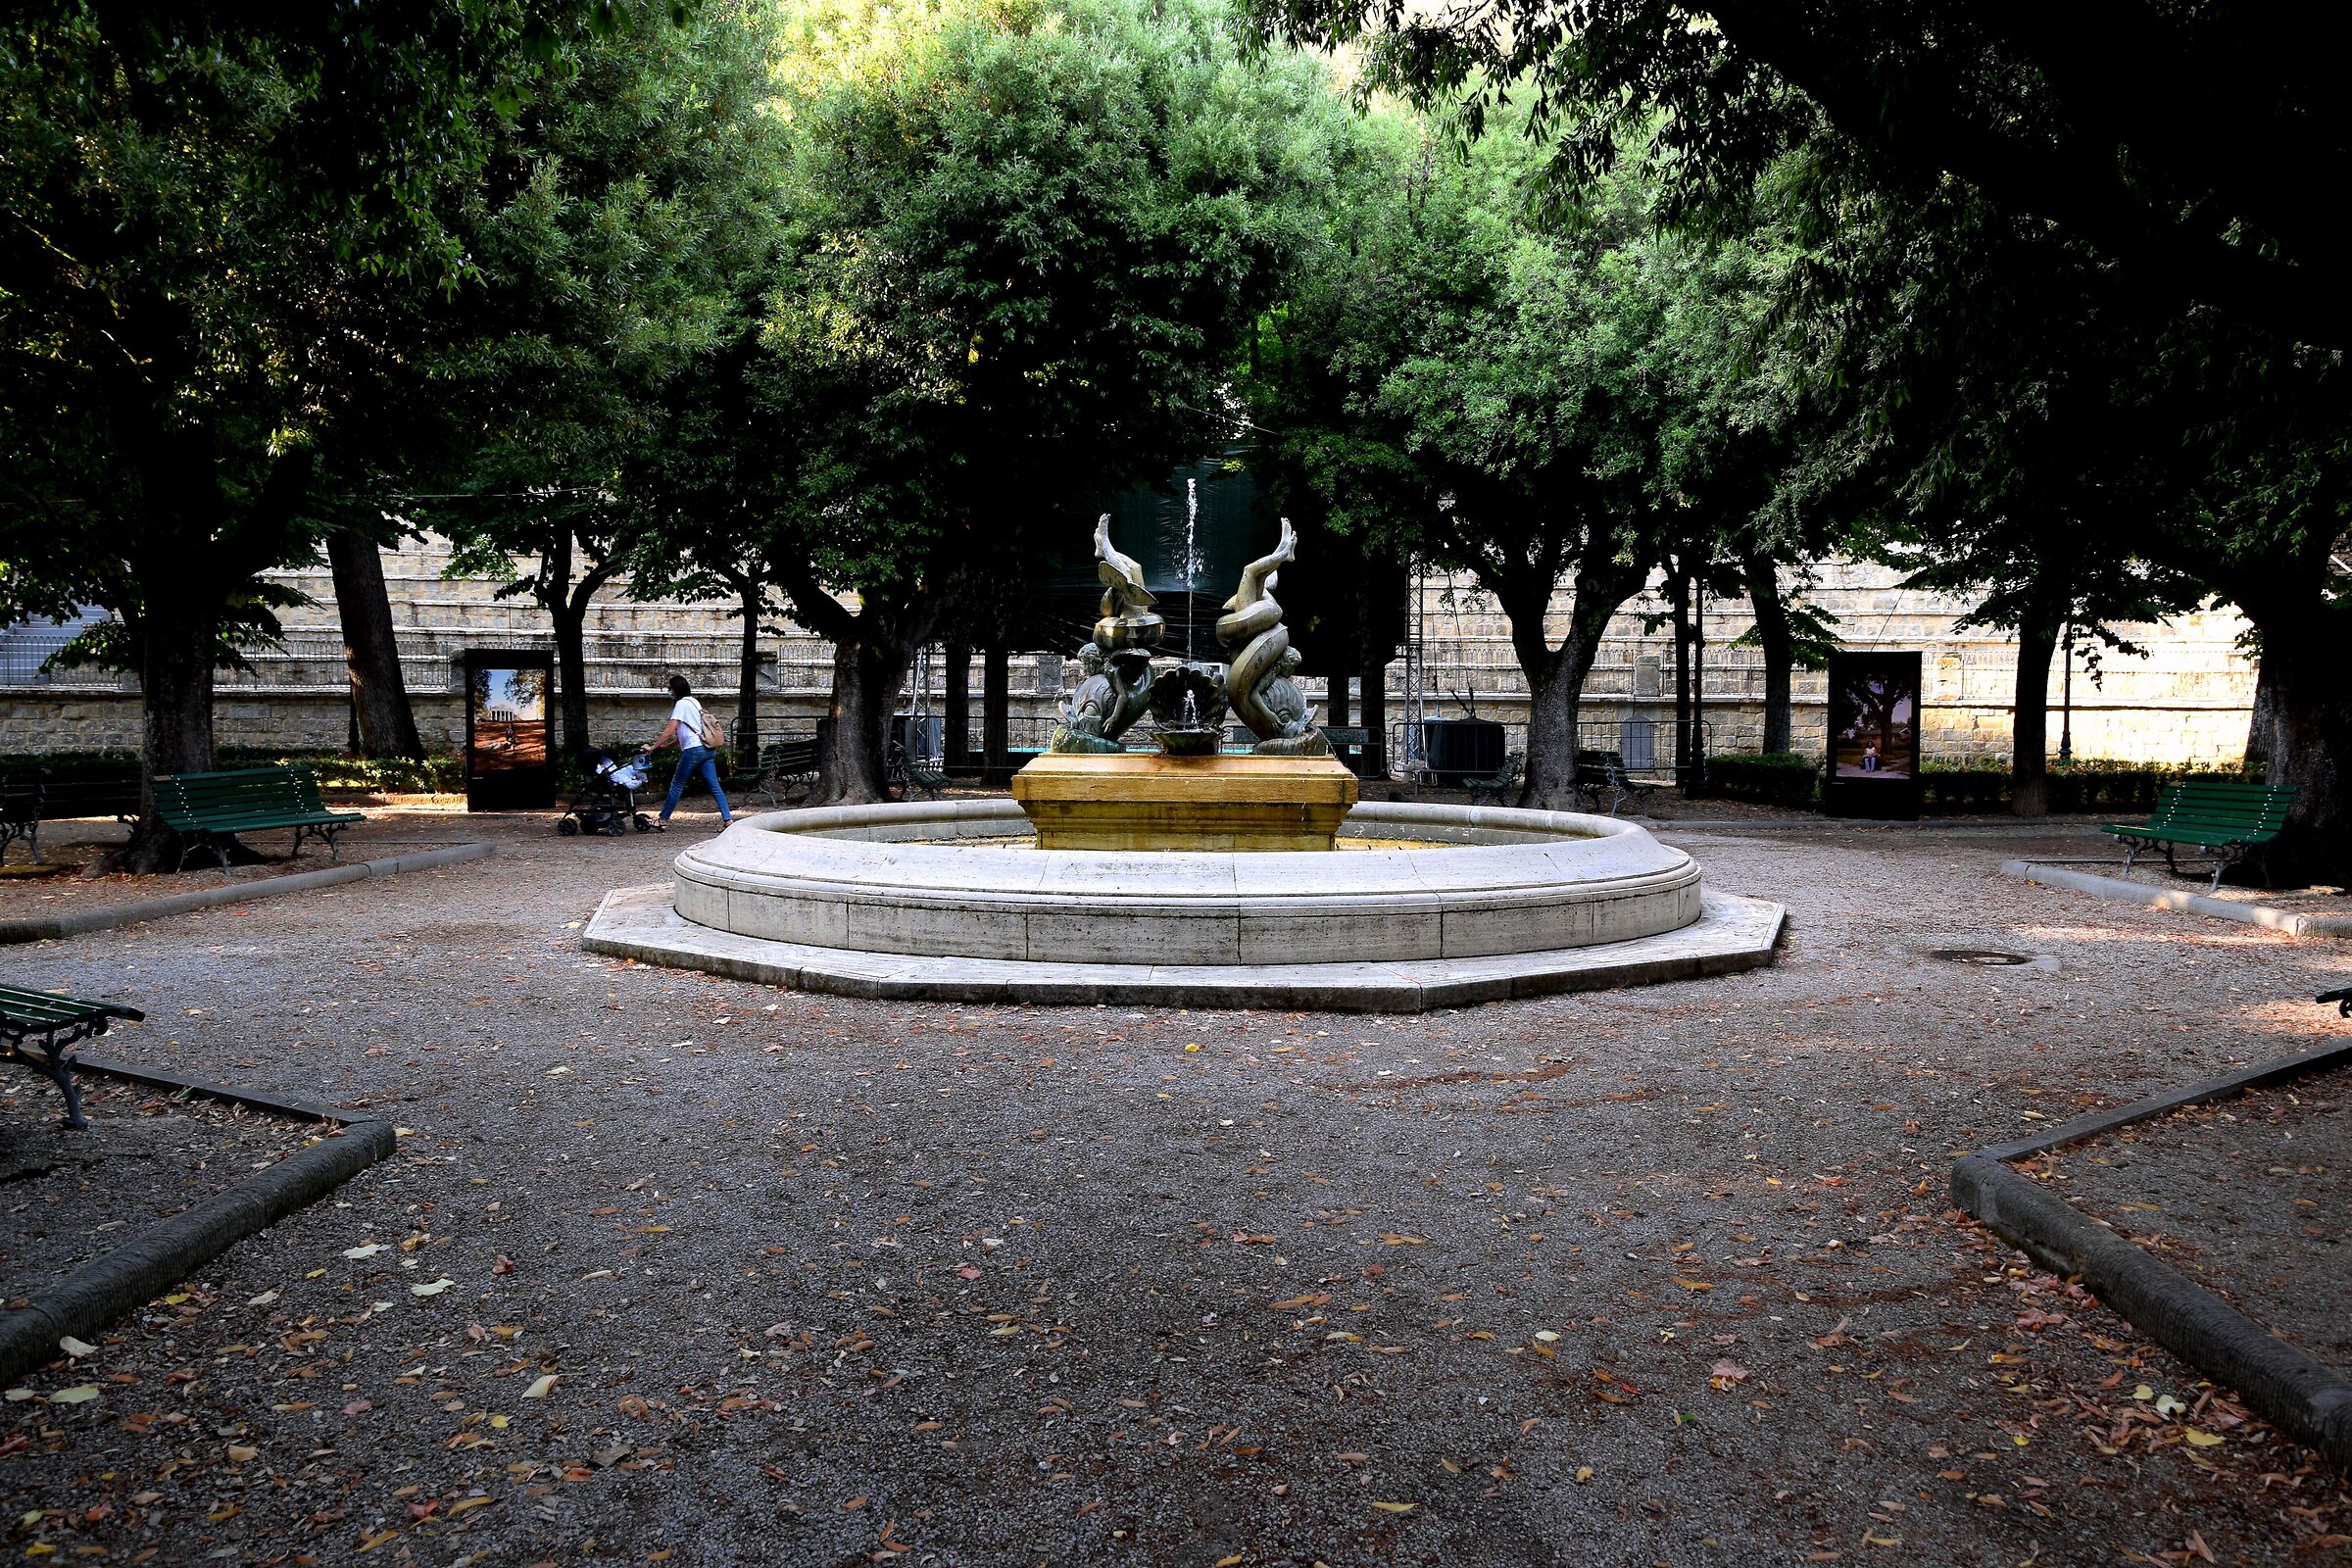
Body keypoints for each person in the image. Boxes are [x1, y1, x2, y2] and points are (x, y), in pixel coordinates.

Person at [650, 675, 733, 832]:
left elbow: (670, 730)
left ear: (676, 689)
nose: (669, 691)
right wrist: (667, 746)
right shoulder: (694, 702)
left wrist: (653, 746)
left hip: (693, 750)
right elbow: (690, 731)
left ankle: (663, 819)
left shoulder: (681, 704)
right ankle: (728, 820)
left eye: (670, 688)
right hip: (706, 749)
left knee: (677, 784)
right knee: (715, 786)